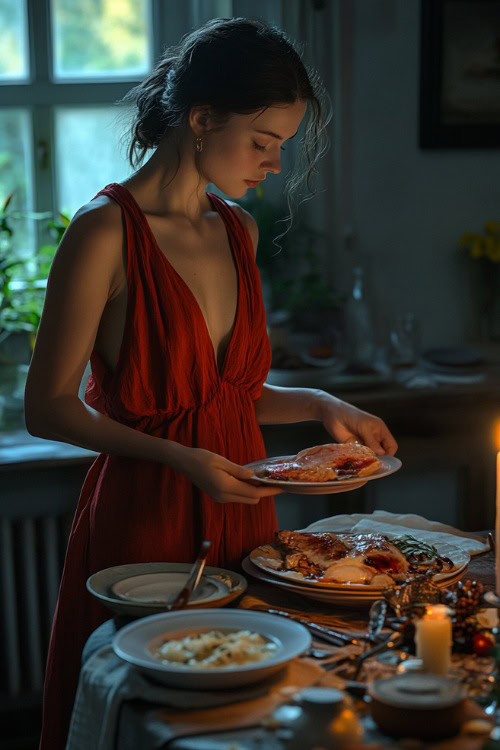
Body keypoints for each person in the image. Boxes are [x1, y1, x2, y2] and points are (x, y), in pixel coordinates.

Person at [25, 17, 397, 750]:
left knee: (246, 719)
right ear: (200, 120)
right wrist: (182, 460)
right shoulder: (106, 231)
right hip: (147, 519)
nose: (274, 166)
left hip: (245, 512)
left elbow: (231, 393)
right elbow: (48, 408)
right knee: (154, 717)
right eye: (263, 143)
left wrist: (323, 404)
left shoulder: (238, 231)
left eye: (281, 147)